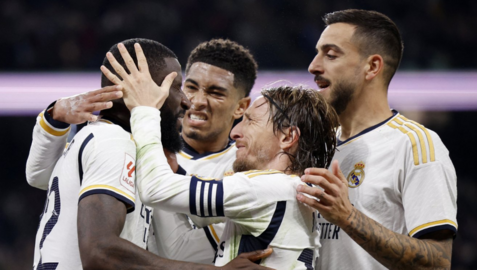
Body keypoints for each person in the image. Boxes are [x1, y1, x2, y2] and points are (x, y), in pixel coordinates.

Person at [25, 38, 271, 270]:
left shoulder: (132, 147)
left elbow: (176, 246)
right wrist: (53, 117)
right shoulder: (114, 142)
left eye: (215, 92)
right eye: (182, 88)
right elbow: (99, 251)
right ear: (141, 93)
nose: (190, 102)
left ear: (240, 106)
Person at [100, 42, 338, 269]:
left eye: (250, 121)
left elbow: (155, 189)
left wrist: (145, 110)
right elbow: (202, 216)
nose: (236, 132)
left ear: (287, 137)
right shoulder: (284, 188)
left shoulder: (266, 188)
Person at [295, 9, 457, 269]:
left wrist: (347, 217)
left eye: (331, 54)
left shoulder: (415, 144)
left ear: (372, 67)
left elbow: (437, 262)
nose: (313, 66)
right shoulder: (317, 146)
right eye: (317, 53)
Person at [150, 38, 257, 264]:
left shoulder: (249, 172)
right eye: (191, 87)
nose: (197, 101)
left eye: (215, 92)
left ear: (241, 107)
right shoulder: (144, 147)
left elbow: (182, 254)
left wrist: (162, 168)